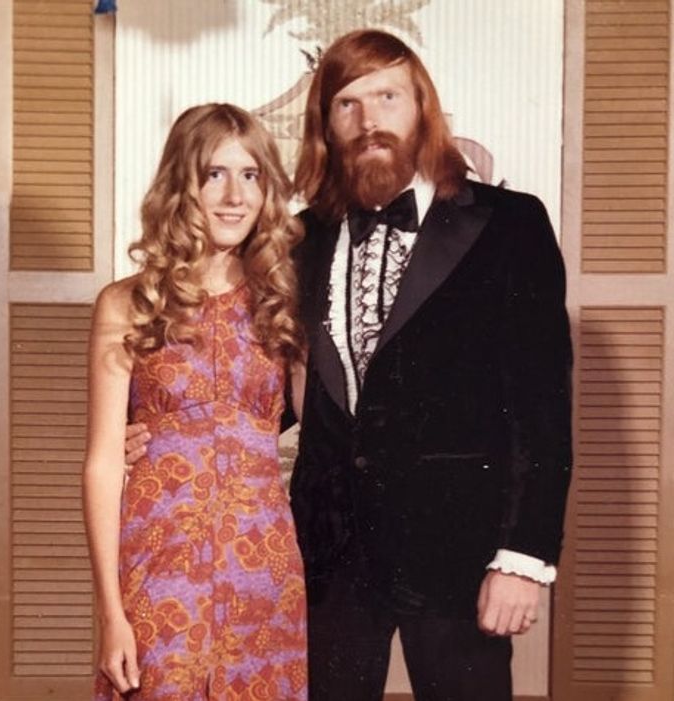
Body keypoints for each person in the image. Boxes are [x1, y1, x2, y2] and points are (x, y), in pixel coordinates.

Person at [125, 29, 572, 701]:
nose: (369, 122)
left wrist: (523, 557)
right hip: (328, 555)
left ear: (422, 106)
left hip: (459, 552)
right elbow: (268, 385)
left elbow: (543, 408)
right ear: (326, 126)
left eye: (387, 97)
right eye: (347, 105)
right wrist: (162, 434)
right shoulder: (299, 240)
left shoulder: (510, 225)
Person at [83, 103, 308, 701]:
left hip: (264, 572)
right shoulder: (126, 304)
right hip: (160, 564)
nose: (235, 196)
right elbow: (102, 463)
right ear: (182, 185)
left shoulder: (284, 305)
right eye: (214, 174)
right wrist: (111, 613)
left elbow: (329, 427)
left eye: (251, 175)